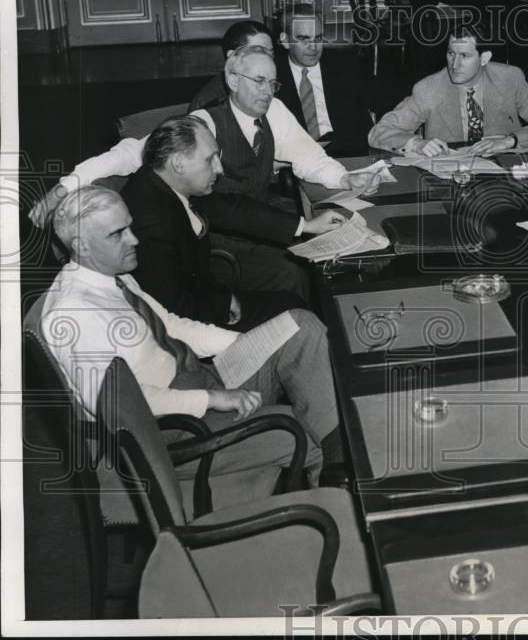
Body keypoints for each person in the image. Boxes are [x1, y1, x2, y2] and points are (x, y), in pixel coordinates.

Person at [39, 185, 349, 487]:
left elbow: (172, 327)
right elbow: (121, 406)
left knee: (298, 326)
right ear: (81, 245)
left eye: (129, 227)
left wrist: (249, 344)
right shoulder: (73, 315)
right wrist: (210, 398)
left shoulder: (115, 277)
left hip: (197, 379)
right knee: (307, 433)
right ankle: (341, 488)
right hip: (167, 431)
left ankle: (341, 453)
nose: (134, 239)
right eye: (117, 234)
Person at [29, 45, 379, 298]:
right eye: (258, 80)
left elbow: (309, 157)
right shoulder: (203, 123)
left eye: (272, 83)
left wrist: (344, 178)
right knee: (295, 273)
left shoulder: (275, 112)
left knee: (324, 254)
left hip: (254, 222)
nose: (266, 91)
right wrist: (64, 187)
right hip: (214, 238)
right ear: (231, 79)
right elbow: (130, 153)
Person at [121, 115, 332, 329]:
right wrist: (222, 301)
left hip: (201, 285)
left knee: (293, 287)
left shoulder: (161, 176)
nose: (219, 169)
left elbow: (230, 208)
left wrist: (306, 225)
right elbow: (171, 309)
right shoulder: (150, 221)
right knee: (294, 310)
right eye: (209, 159)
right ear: (178, 163)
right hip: (192, 318)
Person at [367, 25, 528, 156]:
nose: (454, 65)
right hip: (451, 178)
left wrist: (510, 141)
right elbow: (379, 133)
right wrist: (417, 143)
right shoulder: (428, 89)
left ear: (484, 58)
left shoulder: (510, 78)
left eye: (464, 56)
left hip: (504, 174)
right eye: (450, 53)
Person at [272, 1, 372, 156]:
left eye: (318, 38)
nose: (313, 47)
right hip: (297, 157)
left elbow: (363, 125)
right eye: (304, 39)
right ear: (285, 40)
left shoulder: (346, 67)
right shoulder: (272, 75)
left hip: (346, 153)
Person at [188, 20, 274, 110]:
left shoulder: (275, 86)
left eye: (271, 53)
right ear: (232, 57)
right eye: (259, 52)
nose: (268, 60)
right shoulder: (207, 106)